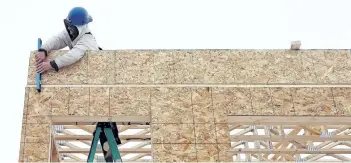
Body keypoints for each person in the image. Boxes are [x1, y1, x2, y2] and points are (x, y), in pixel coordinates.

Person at [36, 7, 101, 73]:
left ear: (80, 27)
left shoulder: (88, 40)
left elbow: (74, 55)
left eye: (72, 28)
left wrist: (52, 64)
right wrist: (44, 49)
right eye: (68, 26)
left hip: (94, 70)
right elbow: (58, 39)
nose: (69, 29)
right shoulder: (72, 32)